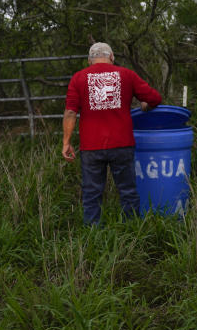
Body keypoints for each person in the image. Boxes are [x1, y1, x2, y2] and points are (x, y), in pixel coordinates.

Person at [63, 42, 162, 225]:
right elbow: (155, 98)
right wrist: (145, 106)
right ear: (112, 57)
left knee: (92, 194)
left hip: (91, 146)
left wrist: (66, 142)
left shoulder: (78, 78)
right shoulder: (126, 75)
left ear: (89, 60)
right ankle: (132, 233)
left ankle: (93, 240)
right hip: (122, 143)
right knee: (128, 192)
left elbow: (70, 112)